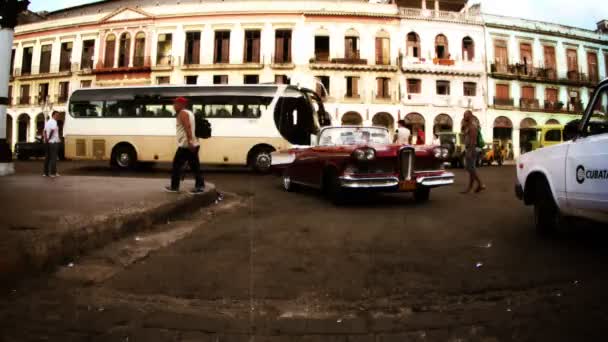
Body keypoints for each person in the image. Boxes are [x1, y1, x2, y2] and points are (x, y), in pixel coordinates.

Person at [165, 97, 205, 194]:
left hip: (186, 145)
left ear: (181, 104)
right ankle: (200, 185)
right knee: (195, 166)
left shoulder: (182, 113)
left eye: (175, 104)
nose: (174, 106)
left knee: (176, 165)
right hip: (190, 144)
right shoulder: (189, 113)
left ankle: (175, 187)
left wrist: (190, 141)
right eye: (174, 104)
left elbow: (188, 127)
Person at [461, 110, 486, 194]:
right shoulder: (468, 126)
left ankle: (480, 184)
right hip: (470, 149)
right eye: (464, 115)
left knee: (469, 168)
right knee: (471, 168)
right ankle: (470, 187)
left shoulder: (472, 127)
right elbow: (464, 136)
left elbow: (473, 141)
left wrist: (469, 151)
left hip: (472, 149)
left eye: (465, 115)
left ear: (470, 116)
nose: (464, 117)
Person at [43, 111, 61, 178]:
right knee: (53, 158)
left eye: (58, 115)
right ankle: (53, 173)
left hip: (48, 142)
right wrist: (49, 138)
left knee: (47, 157)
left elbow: (44, 131)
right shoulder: (54, 122)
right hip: (53, 142)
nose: (58, 116)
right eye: (57, 115)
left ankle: (45, 173)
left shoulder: (47, 122)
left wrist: (46, 139)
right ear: (53, 115)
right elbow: (52, 131)